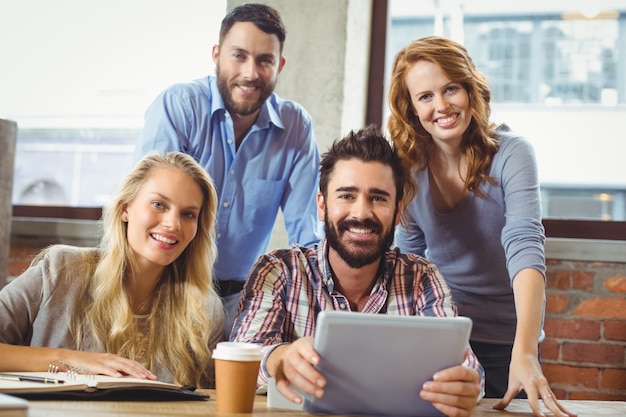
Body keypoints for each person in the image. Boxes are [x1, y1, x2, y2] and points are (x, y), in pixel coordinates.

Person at [231, 125, 484, 417]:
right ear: (322, 206)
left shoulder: (421, 277)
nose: (361, 213)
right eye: (347, 196)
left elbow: (466, 364)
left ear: (398, 210)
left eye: (378, 198)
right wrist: (280, 357)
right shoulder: (279, 271)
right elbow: (241, 357)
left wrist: (466, 384)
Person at [386, 36, 576, 417]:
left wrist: (523, 351)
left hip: (512, 340)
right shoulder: (408, 171)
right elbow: (407, 267)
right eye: (425, 96)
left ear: (470, 89)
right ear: (411, 108)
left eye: (450, 88)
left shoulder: (512, 153)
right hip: (448, 338)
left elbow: (525, 246)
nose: (441, 105)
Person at [134, 3, 321, 340]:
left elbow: (306, 238)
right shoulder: (180, 107)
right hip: (168, 290)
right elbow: (149, 206)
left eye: (264, 60)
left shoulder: (295, 127)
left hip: (241, 303)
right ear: (217, 54)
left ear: (279, 65)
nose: (250, 72)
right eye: (239, 55)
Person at [0, 152, 224, 388]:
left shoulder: (205, 309)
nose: (173, 224)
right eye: (159, 205)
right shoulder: (61, 270)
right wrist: (69, 359)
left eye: (188, 214)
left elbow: (206, 404)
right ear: (125, 209)